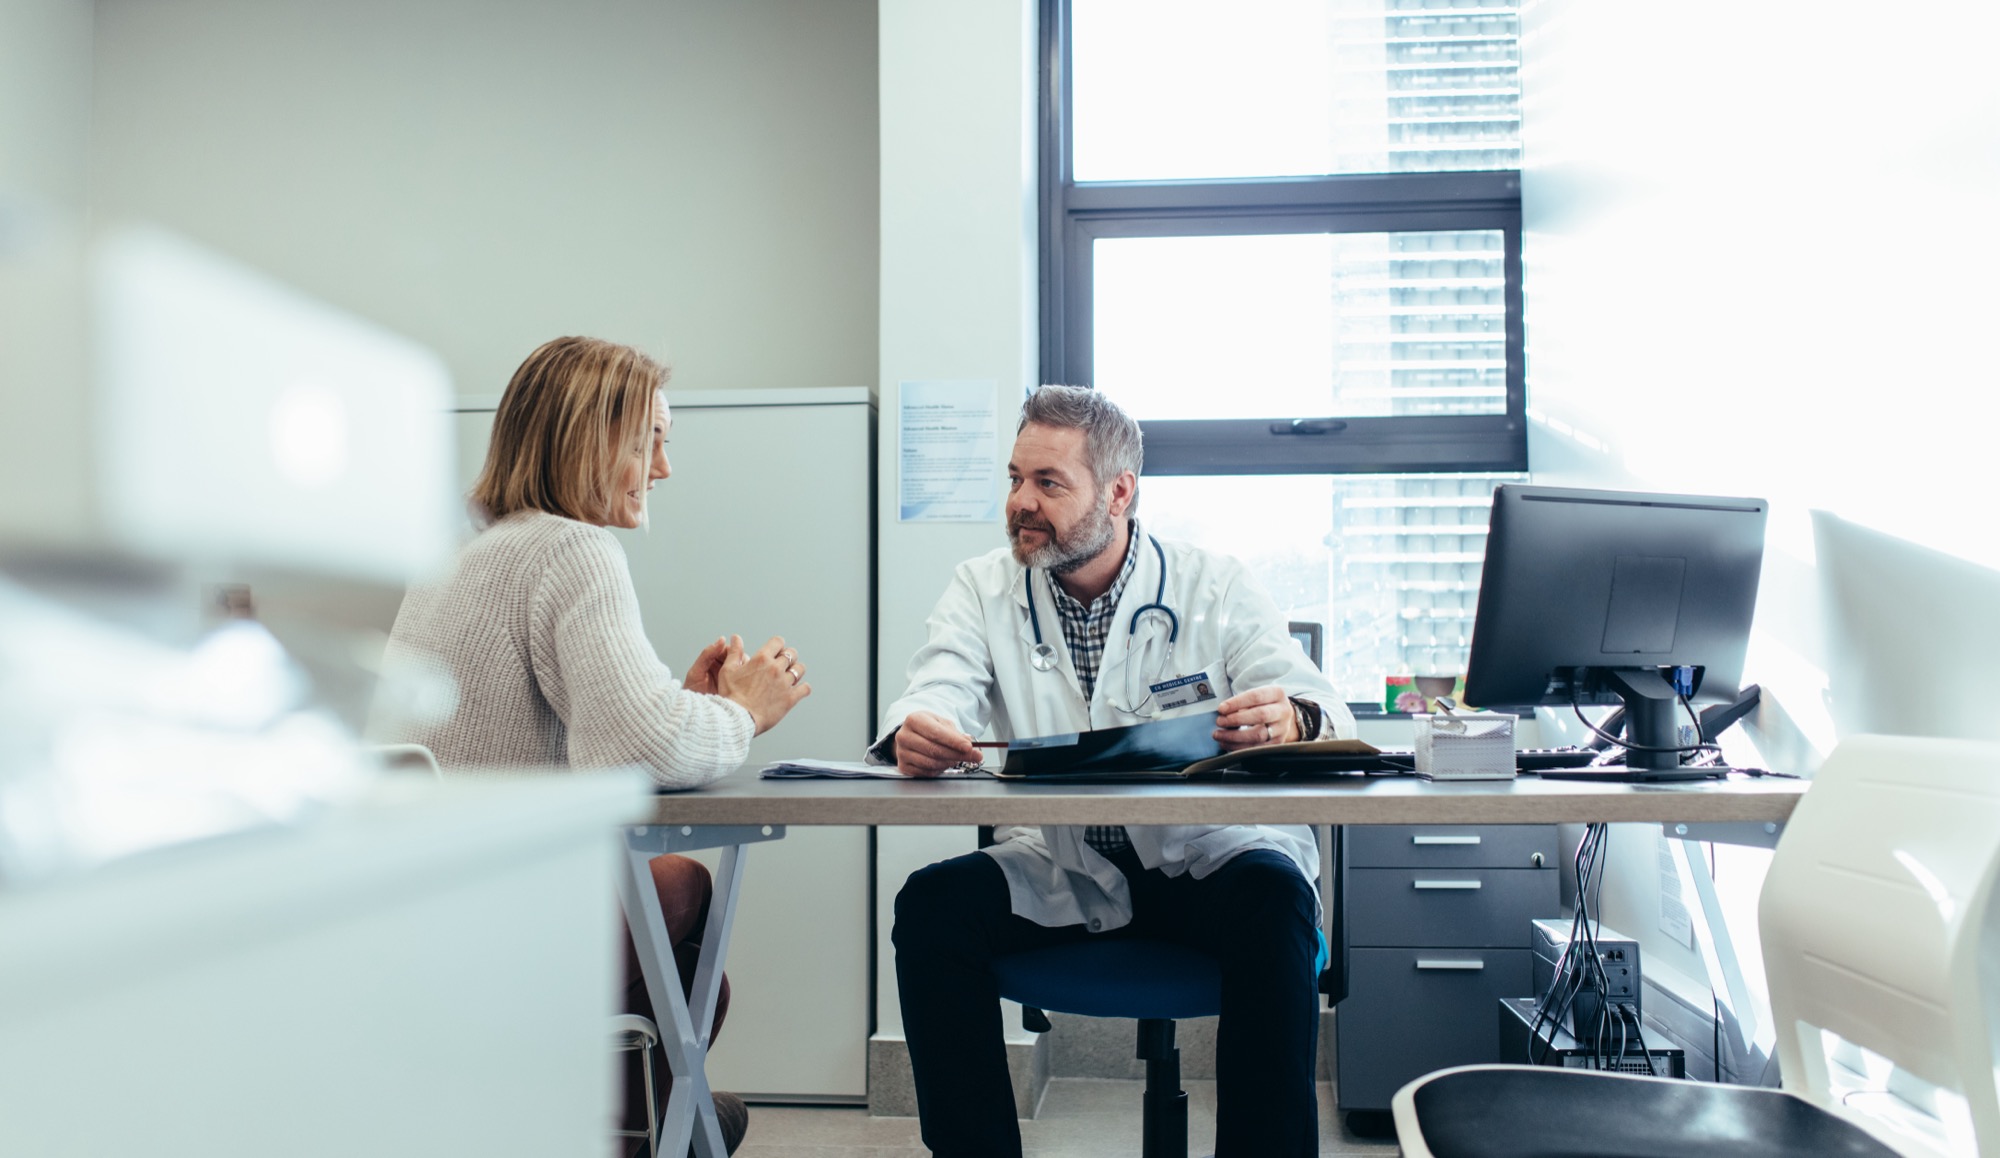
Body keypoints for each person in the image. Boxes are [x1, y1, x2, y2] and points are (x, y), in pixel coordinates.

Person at [873, 385, 1355, 1158]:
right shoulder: (983, 588)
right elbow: (939, 688)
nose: (1021, 504)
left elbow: (1321, 705)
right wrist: (917, 730)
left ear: (1120, 491)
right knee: (932, 909)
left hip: (1209, 859)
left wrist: (1291, 717)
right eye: (1015, 479)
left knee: (1276, 900)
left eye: (1048, 484)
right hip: (1068, 864)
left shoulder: (1213, 584)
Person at [376, 336, 810, 1156]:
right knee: (685, 902)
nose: (664, 468)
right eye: (653, 438)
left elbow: (589, 732)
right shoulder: (569, 548)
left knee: (695, 983)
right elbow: (635, 753)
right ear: (592, 436)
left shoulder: (455, 550)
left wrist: (681, 707)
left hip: (412, 917)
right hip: (493, 926)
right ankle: (653, 1127)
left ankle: (645, 1127)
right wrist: (745, 713)